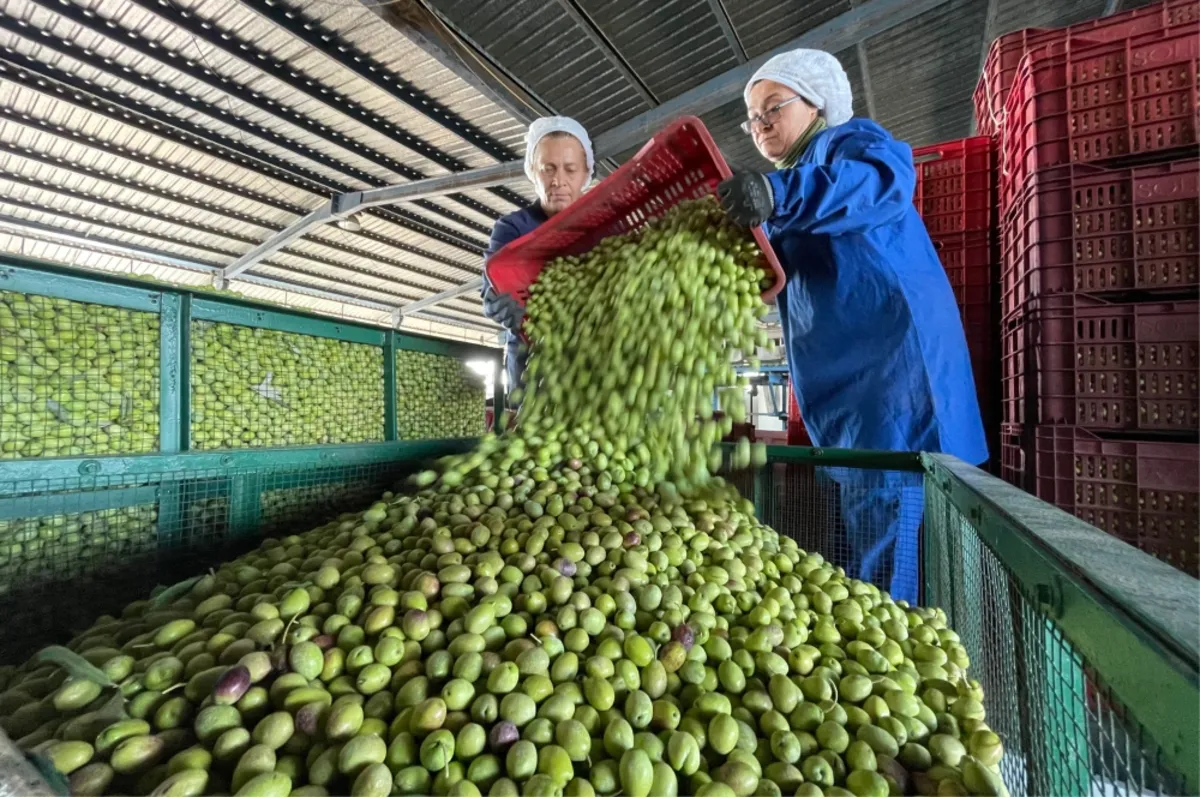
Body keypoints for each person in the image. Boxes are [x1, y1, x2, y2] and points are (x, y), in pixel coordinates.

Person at [716, 49, 987, 604]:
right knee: (872, 544)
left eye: (773, 107)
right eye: (752, 117)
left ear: (815, 104)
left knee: (894, 550)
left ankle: (898, 670)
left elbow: (882, 185)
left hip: (894, 388)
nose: (760, 124)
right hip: (849, 398)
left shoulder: (848, 146)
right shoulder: (788, 192)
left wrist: (775, 195)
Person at [481, 116, 594, 402]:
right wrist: (495, 301)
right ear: (533, 171)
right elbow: (492, 283)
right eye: (548, 169)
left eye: (570, 169)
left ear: (587, 171)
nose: (558, 181)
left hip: (597, 362)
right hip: (533, 369)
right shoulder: (513, 228)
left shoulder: (604, 222)